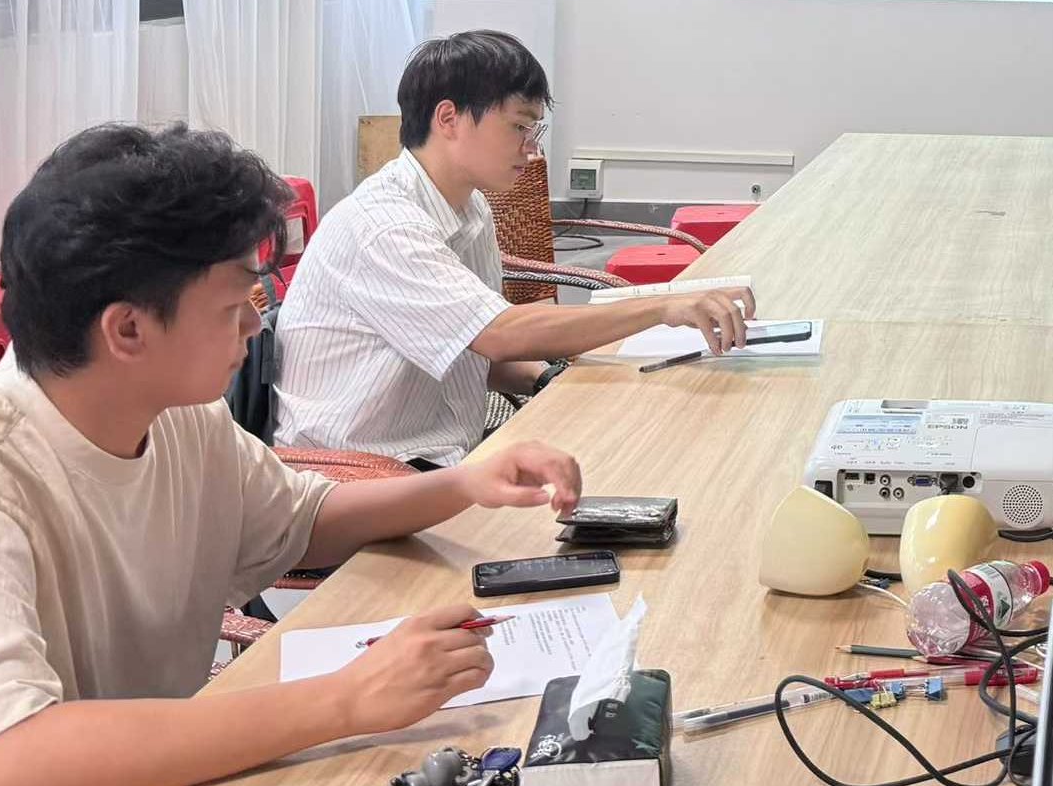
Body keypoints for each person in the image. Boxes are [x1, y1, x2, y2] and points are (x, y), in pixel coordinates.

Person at [0, 124, 586, 786]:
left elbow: (301, 519)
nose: (256, 325)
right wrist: (345, 700)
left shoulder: (172, 413)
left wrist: (463, 483)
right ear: (128, 330)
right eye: (236, 302)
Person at [274, 30, 754, 467]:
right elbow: (498, 334)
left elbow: (476, 350)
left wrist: (546, 380)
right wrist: (662, 306)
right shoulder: (384, 227)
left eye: (534, 130)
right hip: (356, 473)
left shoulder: (471, 208)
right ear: (449, 119)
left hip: (436, 455)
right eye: (519, 128)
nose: (532, 148)